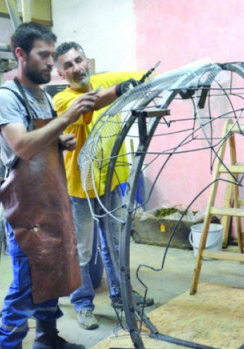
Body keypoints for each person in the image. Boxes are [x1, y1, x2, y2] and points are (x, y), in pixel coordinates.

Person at [0, 23, 98, 349]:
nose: (51, 63)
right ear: (20, 54)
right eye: (44, 55)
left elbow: (40, 140)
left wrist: (59, 140)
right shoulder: (6, 97)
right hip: (26, 205)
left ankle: (47, 339)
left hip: (50, 197)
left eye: (53, 56)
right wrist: (66, 119)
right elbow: (21, 146)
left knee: (53, 270)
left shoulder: (40, 95)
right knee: (26, 284)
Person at [53, 41, 154, 330]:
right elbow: (92, 103)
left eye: (79, 60)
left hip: (111, 181)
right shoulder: (62, 100)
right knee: (82, 251)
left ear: (87, 61)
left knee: (115, 243)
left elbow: (142, 76)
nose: (76, 68)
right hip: (81, 188)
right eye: (68, 65)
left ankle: (121, 297)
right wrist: (120, 90)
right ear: (61, 73)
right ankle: (83, 304)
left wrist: (174, 77)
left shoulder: (103, 81)